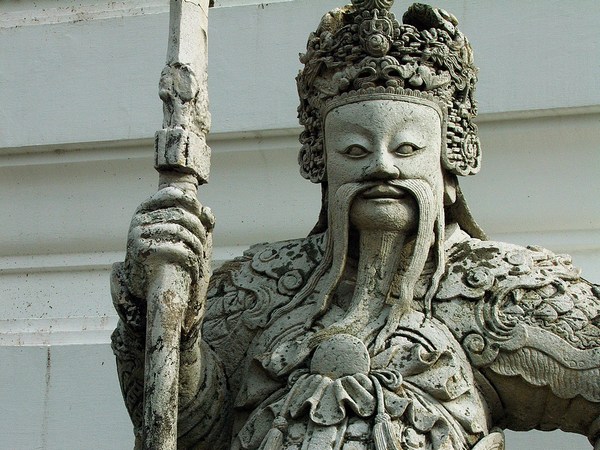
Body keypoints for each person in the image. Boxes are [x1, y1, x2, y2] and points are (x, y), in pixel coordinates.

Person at [111, 1, 600, 448]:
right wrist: (162, 309)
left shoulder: (502, 292)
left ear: (447, 166)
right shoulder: (259, 288)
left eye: (407, 149)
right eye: (354, 150)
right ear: (325, 167)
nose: (382, 166)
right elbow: (188, 427)